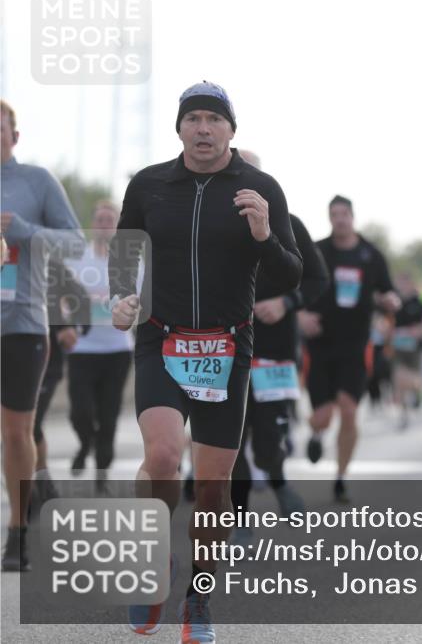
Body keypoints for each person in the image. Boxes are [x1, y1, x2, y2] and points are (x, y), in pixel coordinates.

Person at [109, 82, 302, 643]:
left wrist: (263, 234)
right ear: (179, 129)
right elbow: (123, 253)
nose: (202, 128)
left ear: (231, 130)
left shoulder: (260, 188)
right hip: (161, 341)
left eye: (213, 119)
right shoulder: (149, 185)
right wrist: (120, 299)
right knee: (162, 456)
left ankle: (198, 598)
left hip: (226, 348)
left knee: (214, 487)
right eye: (192, 118)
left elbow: (291, 273)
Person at [228, 149, 328, 545]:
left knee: (269, 438)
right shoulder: (214, 224)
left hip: (275, 352)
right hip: (227, 349)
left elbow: (318, 279)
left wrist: (285, 304)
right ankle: (240, 518)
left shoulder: (290, 224)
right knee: (232, 439)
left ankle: (279, 479)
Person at [1, 99, 85, 571]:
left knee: (17, 433)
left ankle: (17, 534)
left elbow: (75, 241)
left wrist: (27, 231)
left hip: (21, 325)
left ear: (14, 136)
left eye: (0, 129)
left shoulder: (36, 182)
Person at [299, 195, 399, 503]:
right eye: (335, 214)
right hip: (320, 345)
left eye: (344, 214)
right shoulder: (317, 250)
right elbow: (293, 288)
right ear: (329, 218)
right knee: (323, 417)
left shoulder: (370, 254)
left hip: (355, 345)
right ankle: (316, 432)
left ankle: (341, 478)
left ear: (352, 216)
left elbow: (388, 291)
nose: (340, 219)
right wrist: (301, 316)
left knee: (349, 409)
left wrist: (391, 301)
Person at [65, 201, 135, 490]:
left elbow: (143, 299)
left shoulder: (130, 262)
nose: (105, 224)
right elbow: (60, 296)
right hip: (82, 349)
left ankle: (102, 471)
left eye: (110, 219)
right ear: (93, 224)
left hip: (117, 351)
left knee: (109, 414)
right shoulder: (77, 260)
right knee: (79, 412)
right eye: (100, 219)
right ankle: (86, 443)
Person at [31, 259, 90, 511]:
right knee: (17, 430)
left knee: (30, 426)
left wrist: (71, 327)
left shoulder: (50, 265)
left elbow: (80, 297)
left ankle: (41, 485)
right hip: (8, 355)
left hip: (45, 358)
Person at [389, 271, 422, 430]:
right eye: (399, 284)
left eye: (404, 283)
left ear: (410, 284)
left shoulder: (419, 301)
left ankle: (419, 392)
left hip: (415, 348)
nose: (402, 287)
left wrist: (417, 331)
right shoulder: (395, 303)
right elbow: (386, 323)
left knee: (413, 380)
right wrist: (390, 332)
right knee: (399, 380)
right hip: (398, 347)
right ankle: (403, 414)